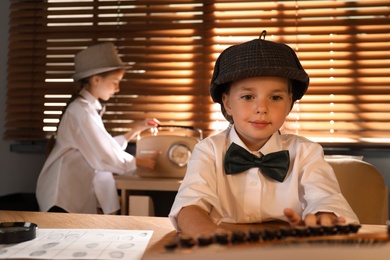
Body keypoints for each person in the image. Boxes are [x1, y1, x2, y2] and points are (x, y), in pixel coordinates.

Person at [168, 33, 359, 239]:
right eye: (248, 96)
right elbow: (189, 207)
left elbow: (326, 197)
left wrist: (324, 216)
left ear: (289, 103)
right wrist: (214, 237)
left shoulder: (306, 152)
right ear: (227, 102)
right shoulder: (208, 150)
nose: (262, 108)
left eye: (275, 97)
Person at [36, 42, 160, 214]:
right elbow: (103, 155)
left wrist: (134, 131)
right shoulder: (81, 111)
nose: (117, 89)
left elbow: (101, 147)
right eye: (114, 82)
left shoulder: (86, 109)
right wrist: (138, 162)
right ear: (96, 80)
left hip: (69, 195)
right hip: (62, 197)